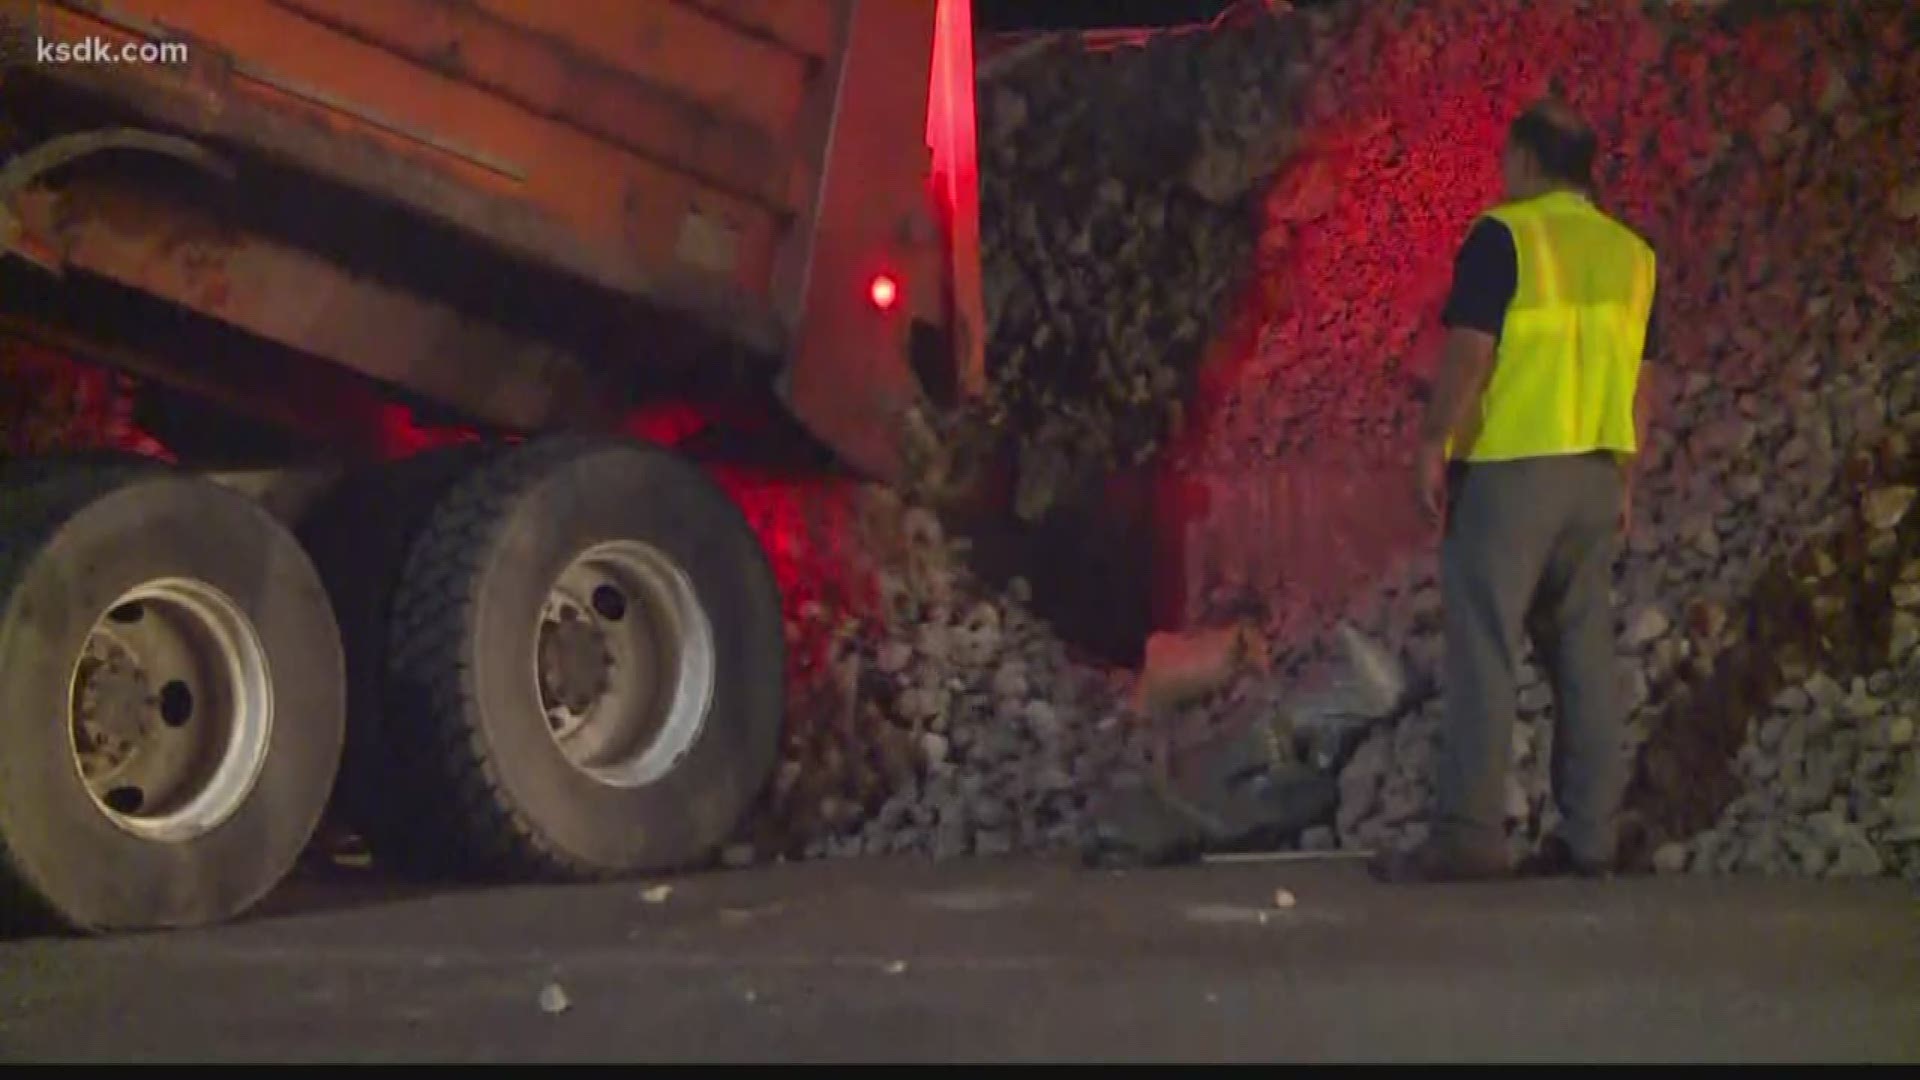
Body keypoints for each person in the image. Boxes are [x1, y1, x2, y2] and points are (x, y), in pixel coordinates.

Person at [1372, 99, 1657, 883]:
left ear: (1528, 162)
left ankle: (1469, 836)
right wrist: (1626, 474)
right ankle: (1590, 838)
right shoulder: (1633, 253)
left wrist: (1434, 439)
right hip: (1597, 474)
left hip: (1511, 473)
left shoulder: (1506, 236)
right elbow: (1642, 378)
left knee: (1487, 649)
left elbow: (1471, 350)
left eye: (1506, 161)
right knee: (1583, 655)